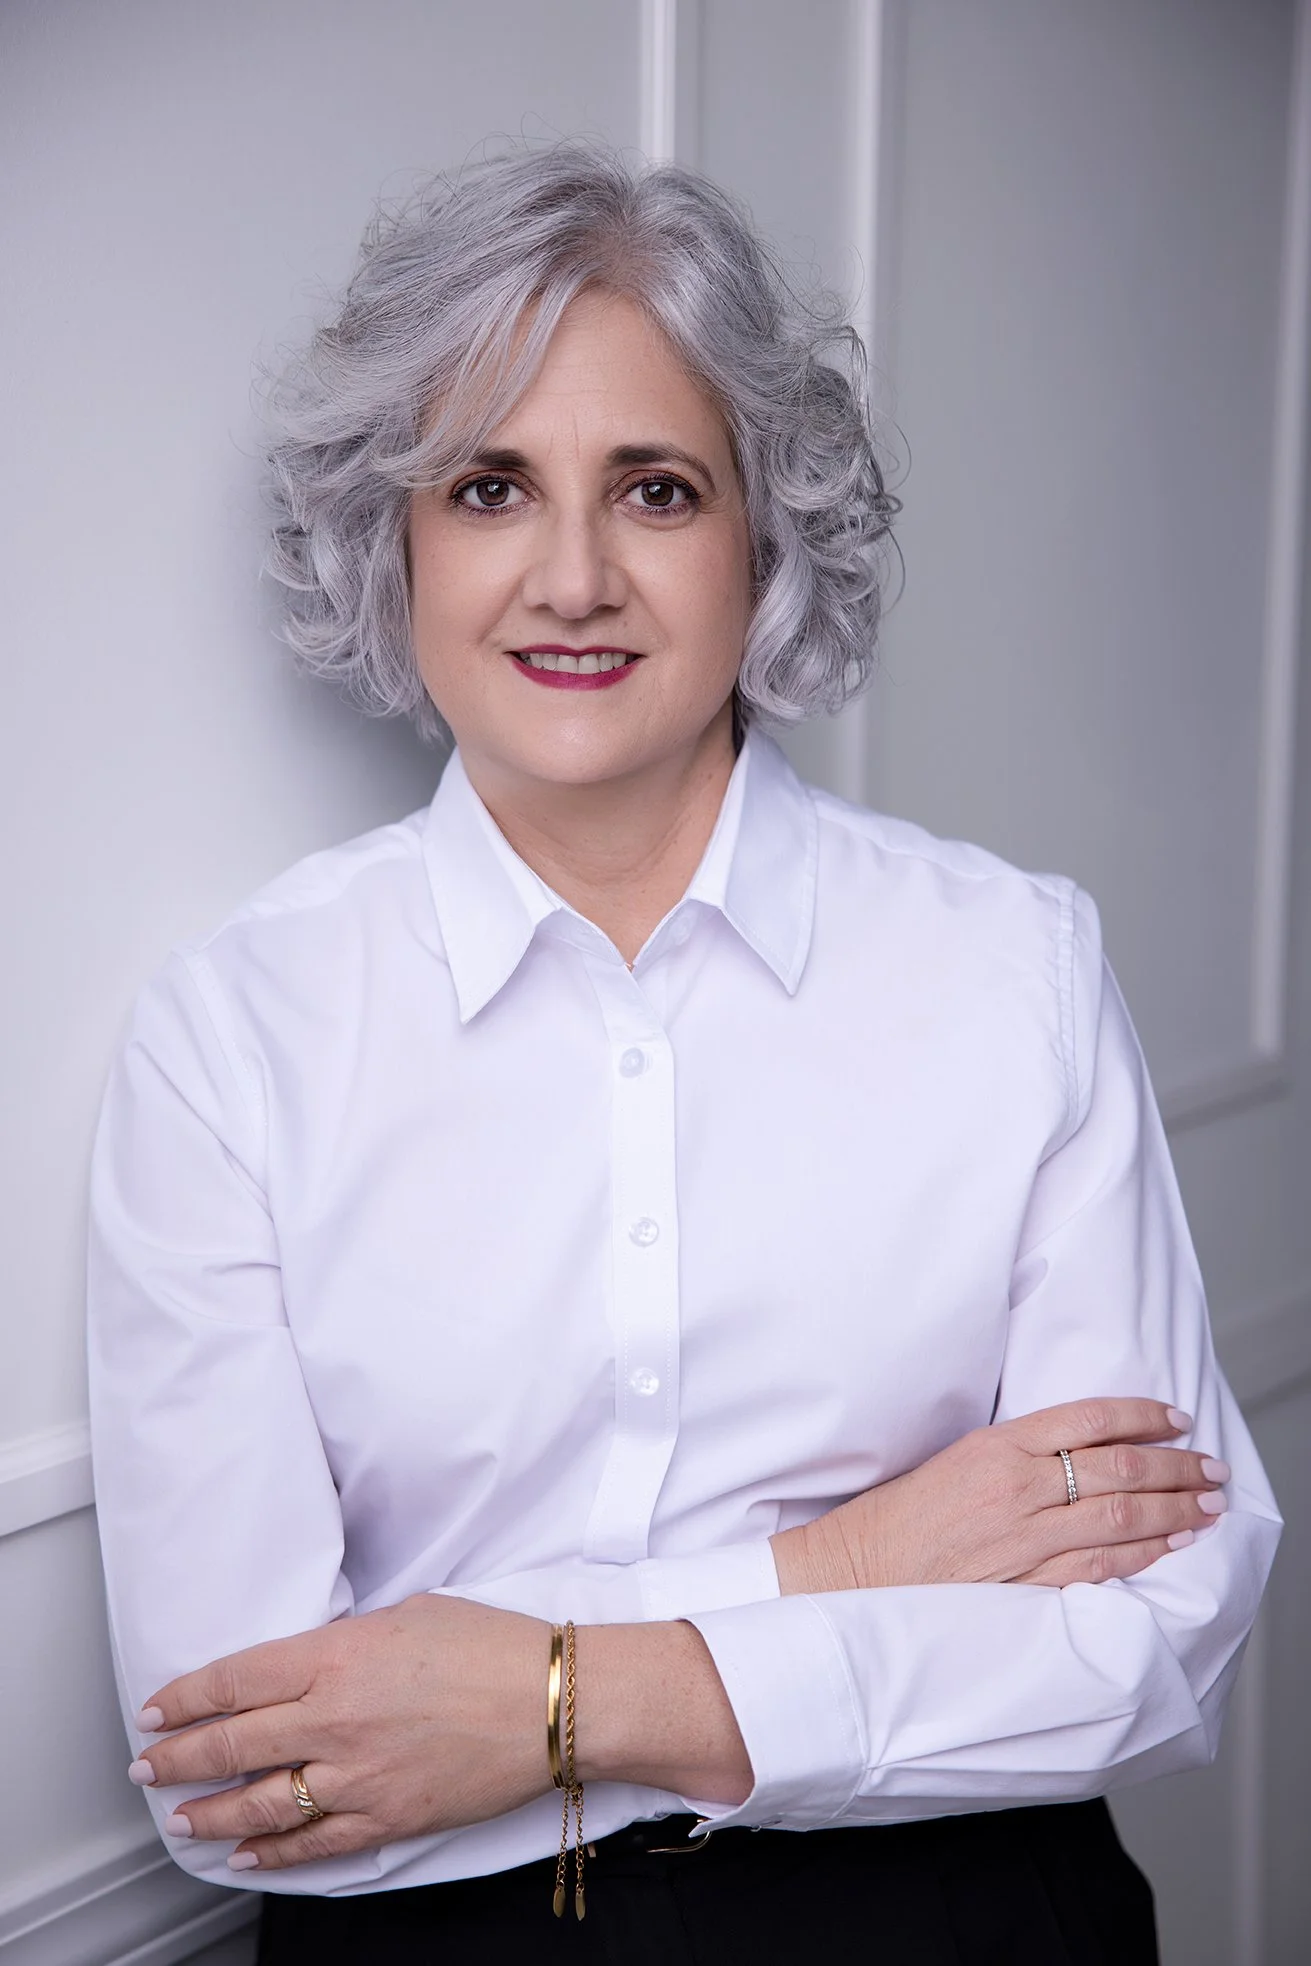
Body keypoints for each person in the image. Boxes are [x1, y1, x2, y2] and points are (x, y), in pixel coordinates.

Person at [87, 142, 1280, 1965]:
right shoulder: (233, 1037)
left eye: (653, 488)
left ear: (762, 538)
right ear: (391, 536)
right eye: (492, 485)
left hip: (961, 1917)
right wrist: (843, 1568)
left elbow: (1151, 1626)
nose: (571, 577)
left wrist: (541, 1699)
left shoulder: (1009, 965)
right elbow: (246, 1765)